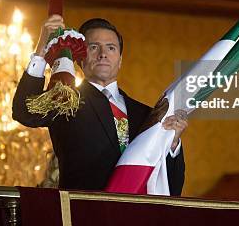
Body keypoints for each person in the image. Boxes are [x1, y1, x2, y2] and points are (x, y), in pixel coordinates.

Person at [12, 15, 187, 195]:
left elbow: (171, 186)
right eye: (93, 47)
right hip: (84, 211)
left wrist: (172, 144)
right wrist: (41, 50)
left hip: (137, 213)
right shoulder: (65, 101)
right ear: (79, 59)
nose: (103, 54)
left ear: (120, 60)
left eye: (111, 48)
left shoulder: (146, 115)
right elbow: (24, 111)